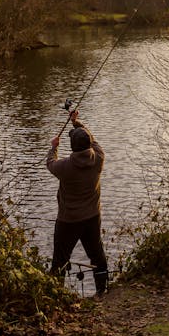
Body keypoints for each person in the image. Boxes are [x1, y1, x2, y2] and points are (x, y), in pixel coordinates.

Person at [46, 109, 108, 296]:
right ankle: (101, 291)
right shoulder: (99, 158)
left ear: (72, 147)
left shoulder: (64, 166)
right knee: (97, 255)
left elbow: (50, 163)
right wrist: (76, 122)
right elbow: (93, 138)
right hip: (92, 217)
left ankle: (56, 295)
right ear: (88, 144)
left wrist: (54, 147)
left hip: (68, 220)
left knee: (60, 260)